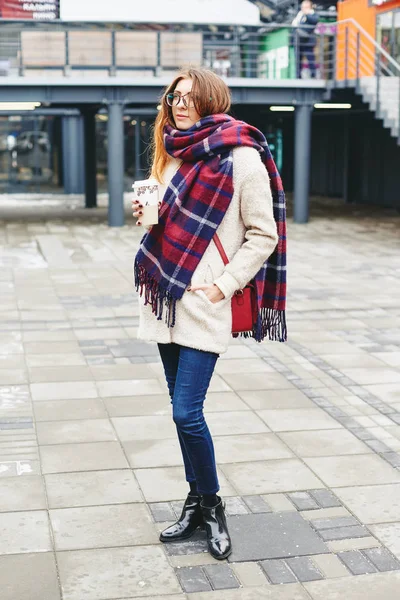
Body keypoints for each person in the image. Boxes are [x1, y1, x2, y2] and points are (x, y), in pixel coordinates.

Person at [132, 67, 287, 560]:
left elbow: (263, 234)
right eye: (174, 97)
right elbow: (168, 221)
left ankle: (213, 505)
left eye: (189, 97)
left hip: (203, 301)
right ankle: (195, 502)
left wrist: (223, 286)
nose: (179, 105)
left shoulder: (241, 157)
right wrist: (146, 217)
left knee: (186, 411)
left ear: (211, 99)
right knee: (180, 415)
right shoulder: (172, 153)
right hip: (165, 298)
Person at [292, 0, 319, 78]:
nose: (304, 8)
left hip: (308, 41)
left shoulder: (313, 14)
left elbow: (314, 21)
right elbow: (294, 27)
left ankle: (313, 75)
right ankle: (298, 76)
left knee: (310, 59)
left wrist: (307, 14)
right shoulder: (299, 15)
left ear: (310, 7)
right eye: (303, 7)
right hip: (298, 41)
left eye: (306, 7)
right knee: (298, 60)